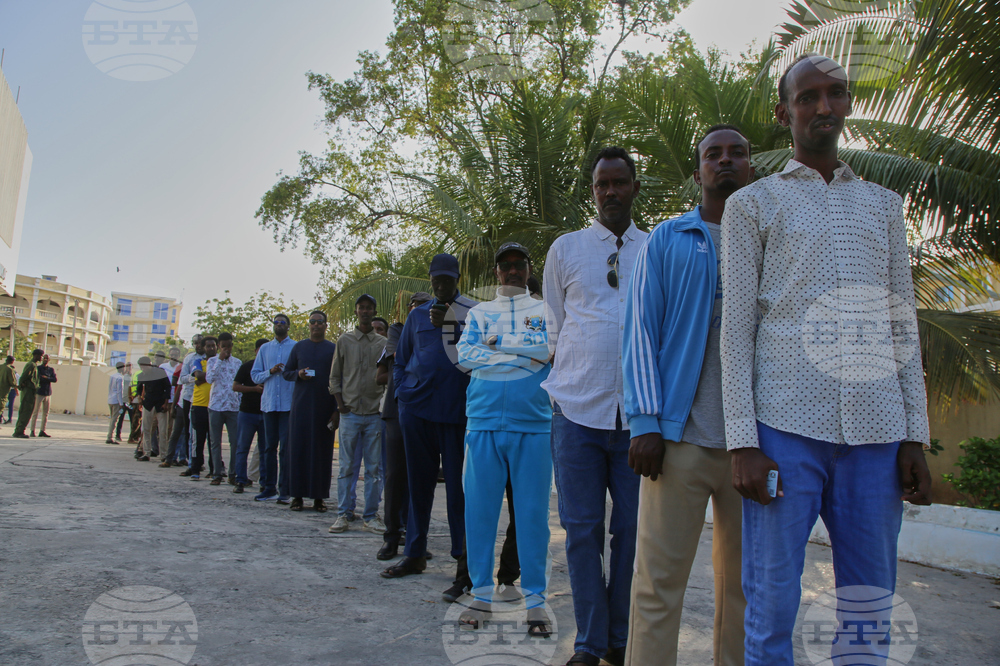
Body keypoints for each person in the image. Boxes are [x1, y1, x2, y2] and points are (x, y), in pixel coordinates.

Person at [719, 55, 932, 666]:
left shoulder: (883, 207)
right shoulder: (753, 205)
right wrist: (742, 443)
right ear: (784, 112)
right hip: (785, 433)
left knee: (868, 608)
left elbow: (903, 327)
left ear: (846, 105)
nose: (823, 107)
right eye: (807, 97)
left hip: (877, 436)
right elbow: (737, 330)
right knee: (772, 607)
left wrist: (913, 435)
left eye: (835, 94)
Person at [622, 125, 753, 666]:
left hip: (756, 444)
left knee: (746, 589)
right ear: (698, 170)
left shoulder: (771, 236)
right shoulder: (669, 238)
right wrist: (645, 422)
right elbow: (640, 331)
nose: (724, 161)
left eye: (736, 153)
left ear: (751, 166)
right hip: (680, 440)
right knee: (657, 586)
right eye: (712, 154)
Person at [541, 146, 648, 666]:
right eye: (602, 184)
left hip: (637, 422)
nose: (610, 191)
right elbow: (556, 326)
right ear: (593, 191)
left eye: (619, 182)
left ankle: (621, 639)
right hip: (575, 414)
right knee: (581, 531)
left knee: (629, 533)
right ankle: (590, 642)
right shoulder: (567, 248)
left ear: (633, 186)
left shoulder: (654, 249)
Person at [456, 241, 553, 635]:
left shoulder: (545, 311)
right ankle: (480, 596)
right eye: (505, 266)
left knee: (532, 518)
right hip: (482, 423)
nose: (512, 270)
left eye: (519, 264)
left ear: (529, 269)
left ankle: (536, 604)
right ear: (496, 273)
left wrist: (498, 345)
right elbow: (465, 356)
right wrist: (519, 354)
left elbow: (547, 351)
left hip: (533, 425)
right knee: (479, 514)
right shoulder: (479, 313)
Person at [380, 253, 477, 604]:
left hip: (456, 414)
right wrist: (405, 393)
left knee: (458, 493)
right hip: (417, 412)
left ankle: (463, 565)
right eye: (436, 280)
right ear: (430, 279)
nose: (441, 286)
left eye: (448, 280)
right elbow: (402, 360)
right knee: (417, 487)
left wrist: (452, 323)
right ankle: (415, 553)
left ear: (458, 278)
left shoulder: (473, 313)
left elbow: (480, 355)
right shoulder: (417, 315)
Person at [328, 295, 387, 533]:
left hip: (374, 414)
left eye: (369, 308)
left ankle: (371, 515)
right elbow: (334, 376)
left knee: (374, 469)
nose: (365, 311)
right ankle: (343, 513)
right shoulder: (345, 340)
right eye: (361, 308)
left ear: (374, 311)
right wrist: (340, 405)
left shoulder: (382, 343)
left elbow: (387, 378)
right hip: (350, 413)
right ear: (356, 312)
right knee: (346, 467)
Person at [282, 311, 338, 512]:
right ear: (309, 325)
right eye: (312, 322)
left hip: (324, 408)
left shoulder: (333, 349)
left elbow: (338, 378)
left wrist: (336, 410)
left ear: (326, 325)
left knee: (321, 454)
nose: (316, 325)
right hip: (301, 408)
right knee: (297, 452)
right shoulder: (299, 347)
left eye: (319, 322)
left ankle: (319, 498)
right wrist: (298, 374)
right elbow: (286, 373)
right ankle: (296, 496)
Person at [251, 314, 296, 503]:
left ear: (288, 326)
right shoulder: (265, 349)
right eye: (276, 323)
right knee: (268, 447)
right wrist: (270, 371)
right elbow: (255, 376)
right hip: (269, 404)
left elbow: (302, 372)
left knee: (285, 448)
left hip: (287, 404)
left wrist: (287, 372)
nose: (279, 325)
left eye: (282, 323)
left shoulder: (295, 347)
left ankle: (284, 490)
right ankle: (268, 487)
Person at [232, 338, 267, 493]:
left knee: (266, 449)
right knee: (242, 448)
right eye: (260, 350)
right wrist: (254, 389)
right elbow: (235, 386)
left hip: (266, 413)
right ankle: (240, 480)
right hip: (247, 413)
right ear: (255, 351)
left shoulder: (271, 369)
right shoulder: (247, 366)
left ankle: (265, 482)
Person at [206, 332, 241, 486]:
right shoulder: (212, 361)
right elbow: (209, 379)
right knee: (215, 442)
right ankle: (217, 473)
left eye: (228, 346)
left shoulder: (237, 363)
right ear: (219, 346)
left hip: (233, 407)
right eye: (223, 346)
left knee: (235, 441)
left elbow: (239, 385)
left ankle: (233, 473)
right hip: (216, 406)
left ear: (232, 346)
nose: (226, 349)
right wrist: (219, 361)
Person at [180, 336, 217, 480]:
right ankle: (195, 469)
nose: (211, 348)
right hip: (198, 405)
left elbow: (203, 378)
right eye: (208, 346)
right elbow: (198, 375)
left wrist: (203, 378)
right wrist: (206, 377)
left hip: (215, 406)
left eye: (213, 346)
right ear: (203, 347)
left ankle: (214, 469)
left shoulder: (219, 362)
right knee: (197, 440)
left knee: (213, 440)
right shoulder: (197, 361)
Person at [170, 335, 205, 469]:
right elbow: (182, 379)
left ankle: (199, 461)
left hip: (205, 399)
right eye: (195, 343)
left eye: (200, 343)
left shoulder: (212, 359)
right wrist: (195, 378)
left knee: (202, 433)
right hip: (188, 398)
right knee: (188, 432)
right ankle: (190, 460)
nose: (198, 345)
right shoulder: (189, 358)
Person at [137, 356, 172, 462]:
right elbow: (139, 388)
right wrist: (139, 397)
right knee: (146, 429)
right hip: (148, 404)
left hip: (160, 404)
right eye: (141, 366)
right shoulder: (141, 375)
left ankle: (164, 454)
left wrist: (166, 402)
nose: (143, 368)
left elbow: (168, 387)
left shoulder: (160, 372)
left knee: (162, 431)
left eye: (145, 366)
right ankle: (146, 453)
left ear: (149, 364)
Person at [12, 349, 43, 439]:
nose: (41, 357)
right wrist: (22, 386)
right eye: (40, 355)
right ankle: (19, 431)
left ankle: (20, 430)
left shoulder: (34, 365)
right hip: (28, 391)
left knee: (27, 411)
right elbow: (24, 377)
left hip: (31, 391)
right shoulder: (31, 365)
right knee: (26, 411)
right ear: (36, 355)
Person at [30, 354, 56, 437]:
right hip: (39, 392)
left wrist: (47, 378)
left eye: (47, 358)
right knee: (35, 412)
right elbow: (38, 378)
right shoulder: (38, 368)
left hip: (48, 393)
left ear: (49, 360)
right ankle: (32, 430)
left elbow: (54, 379)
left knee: (46, 413)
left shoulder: (51, 369)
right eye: (44, 358)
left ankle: (42, 430)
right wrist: (45, 378)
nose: (45, 360)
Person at [106, 362, 126, 445]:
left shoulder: (113, 376)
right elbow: (119, 391)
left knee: (112, 419)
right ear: (122, 368)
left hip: (110, 399)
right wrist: (121, 403)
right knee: (114, 419)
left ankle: (109, 436)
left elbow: (110, 387)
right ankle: (109, 437)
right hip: (116, 401)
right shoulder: (120, 378)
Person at [0, 356, 16, 431]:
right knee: (1, 407)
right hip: (3, 391)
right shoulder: (9, 369)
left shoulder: (1, 367)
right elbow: (12, 382)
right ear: (12, 361)